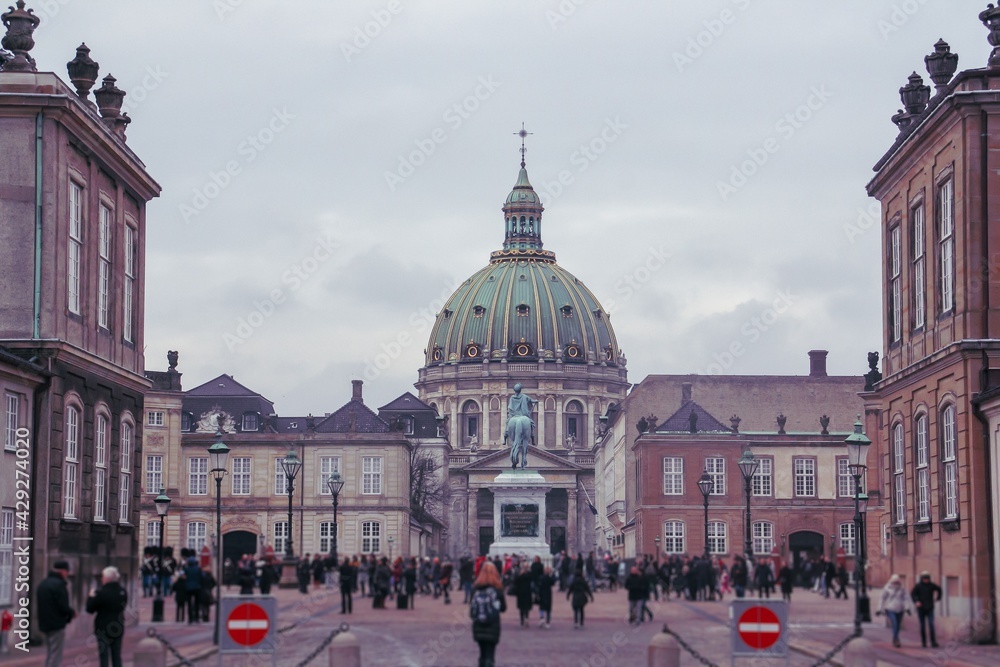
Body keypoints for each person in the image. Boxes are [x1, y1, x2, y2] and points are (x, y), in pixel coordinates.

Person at [86, 566, 128, 667]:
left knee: (104, 656)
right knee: (116, 655)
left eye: (103, 577)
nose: (102, 579)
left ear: (107, 578)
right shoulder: (122, 592)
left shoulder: (101, 593)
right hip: (117, 625)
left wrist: (90, 597)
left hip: (103, 627)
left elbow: (90, 609)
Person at [37, 560, 76, 667]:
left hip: (45, 622)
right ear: (63, 571)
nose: (67, 574)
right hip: (56, 623)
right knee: (55, 654)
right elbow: (62, 605)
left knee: (50, 651)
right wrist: (71, 613)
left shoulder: (43, 583)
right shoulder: (59, 585)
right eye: (67, 571)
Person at [470, 561, 507, 667]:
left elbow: (472, 609)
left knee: (482, 654)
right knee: (490, 655)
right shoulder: (497, 589)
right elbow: (504, 608)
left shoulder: (475, 588)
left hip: (479, 626)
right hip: (492, 625)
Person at [876, 574, 914, 648]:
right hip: (890, 608)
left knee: (898, 625)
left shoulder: (902, 588)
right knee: (895, 624)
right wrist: (879, 609)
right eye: (894, 581)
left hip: (900, 609)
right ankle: (896, 639)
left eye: (897, 581)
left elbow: (906, 598)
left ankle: (895, 637)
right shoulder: (887, 588)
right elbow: (882, 599)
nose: (896, 583)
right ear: (891, 581)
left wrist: (907, 608)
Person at [911, 571, 942, 648]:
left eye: (927, 579)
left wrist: (938, 598)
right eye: (924, 579)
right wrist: (916, 601)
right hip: (921, 608)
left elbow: (939, 589)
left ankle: (933, 641)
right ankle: (924, 641)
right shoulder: (918, 586)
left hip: (930, 607)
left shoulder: (931, 585)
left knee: (931, 624)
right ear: (922, 579)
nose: (926, 580)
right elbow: (913, 594)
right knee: (923, 625)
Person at [183, 557, 203, 623]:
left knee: (189, 604)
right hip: (197, 587)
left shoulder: (186, 569)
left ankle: (190, 618)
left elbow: (183, 576)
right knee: (197, 604)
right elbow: (201, 577)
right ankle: (196, 617)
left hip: (188, 588)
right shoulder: (198, 569)